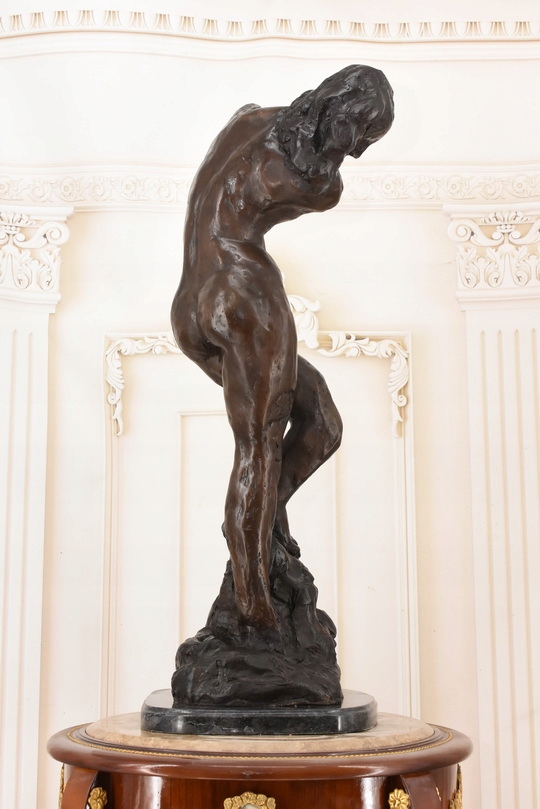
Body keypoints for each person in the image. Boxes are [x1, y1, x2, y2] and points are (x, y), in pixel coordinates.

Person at [171, 64, 394, 632]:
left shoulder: (249, 117)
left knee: (321, 421)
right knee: (259, 446)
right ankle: (255, 607)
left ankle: (262, 522)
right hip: (244, 292)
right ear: (342, 116)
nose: (359, 152)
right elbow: (319, 188)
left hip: (192, 298)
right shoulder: (319, 185)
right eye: (361, 136)